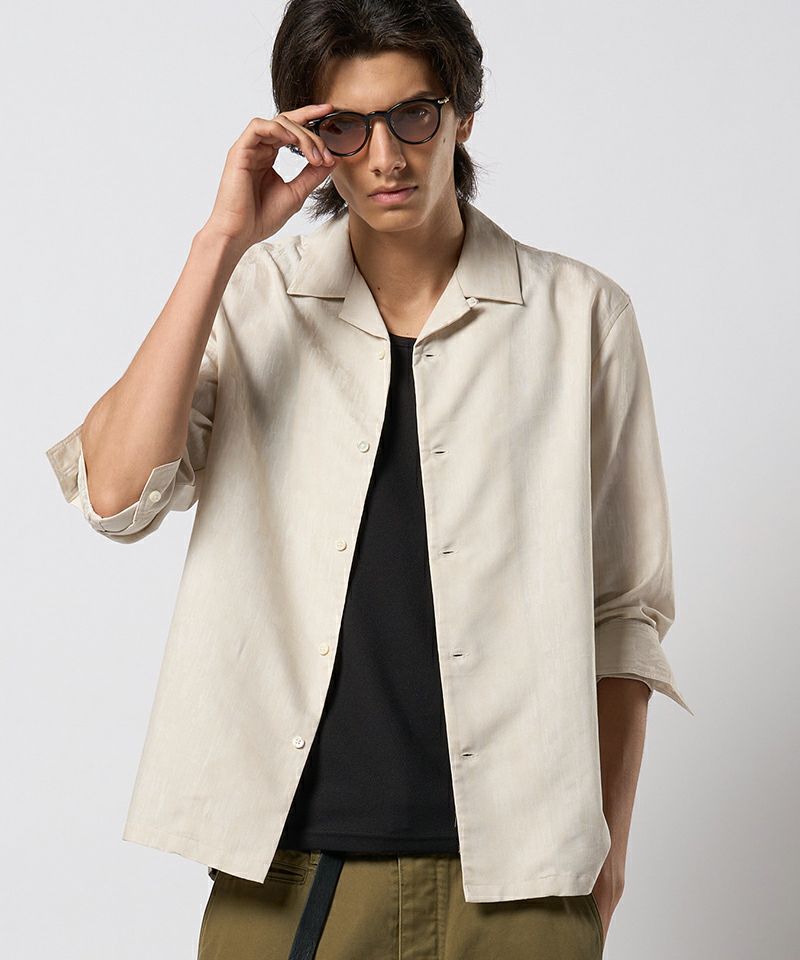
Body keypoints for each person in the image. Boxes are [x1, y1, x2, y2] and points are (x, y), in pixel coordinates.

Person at [45, 0, 693, 957]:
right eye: (347, 126)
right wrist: (220, 244)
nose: (386, 157)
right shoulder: (255, 298)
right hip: (288, 871)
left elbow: (624, 611)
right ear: (310, 137)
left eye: (413, 115)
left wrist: (607, 859)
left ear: (462, 114)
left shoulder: (579, 316)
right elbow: (114, 497)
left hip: (521, 881)